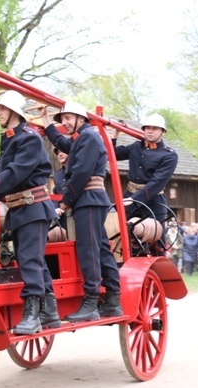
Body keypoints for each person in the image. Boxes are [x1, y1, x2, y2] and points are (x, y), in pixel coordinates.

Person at [0, 90, 58, 335]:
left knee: (29, 261)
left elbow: (15, 173)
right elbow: (7, 178)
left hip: (33, 207)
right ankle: (50, 311)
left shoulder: (28, 138)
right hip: (21, 208)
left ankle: (33, 315)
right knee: (33, 260)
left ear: (14, 112)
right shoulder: (10, 138)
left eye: (1, 108)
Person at [39, 101, 123, 321]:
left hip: (88, 199)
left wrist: (65, 203)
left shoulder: (88, 137)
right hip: (90, 200)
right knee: (101, 248)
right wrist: (47, 120)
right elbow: (60, 141)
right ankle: (113, 300)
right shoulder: (81, 139)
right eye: (62, 119)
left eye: (67, 118)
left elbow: (81, 174)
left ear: (81, 119)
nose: (64, 123)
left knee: (89, 249)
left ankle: (91, 301)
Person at [112, 114, 178, 231]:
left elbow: (157, 182)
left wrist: (134, 199)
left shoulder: (169, 155)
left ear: (163, 131)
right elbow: (111, 154)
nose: (150, 131)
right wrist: (115, 136)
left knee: (156, 240)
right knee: (119, 233)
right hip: (130, 196)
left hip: (153, 201)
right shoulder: (136, 147)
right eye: (148, 128)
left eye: (155, 128)